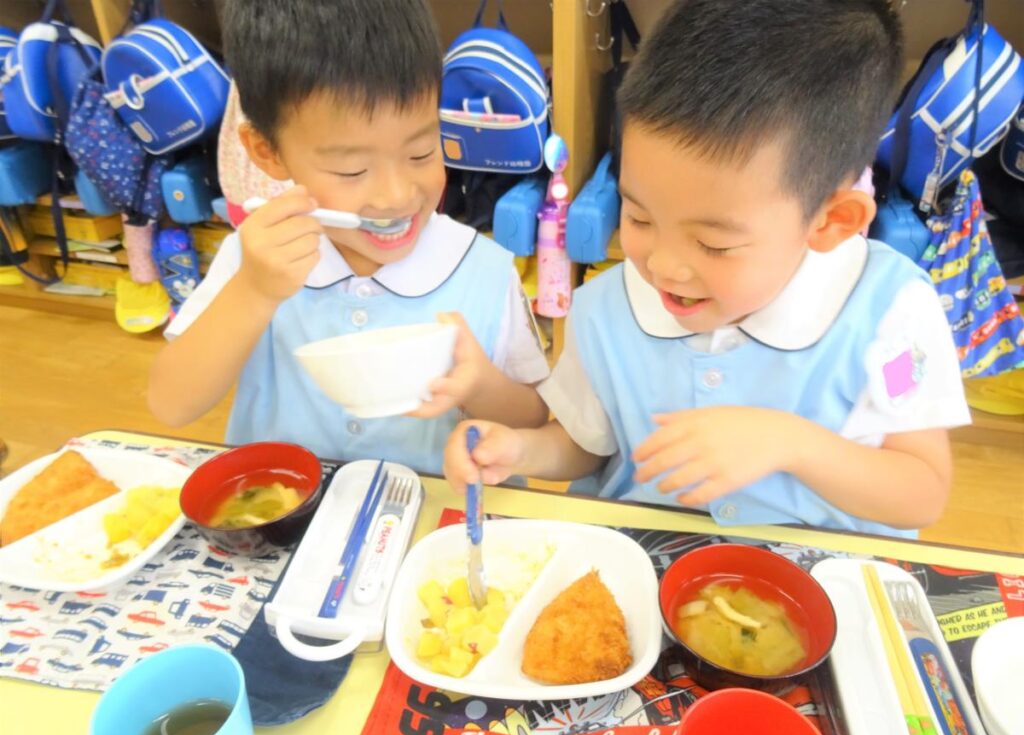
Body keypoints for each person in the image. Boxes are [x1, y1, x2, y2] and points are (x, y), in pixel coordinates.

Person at [444, 0, 970, 537]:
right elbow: (587, 446)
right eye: (639, 216)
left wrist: (789, 442)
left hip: (822, 585)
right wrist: (521, 450)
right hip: (642, 560)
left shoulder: (892, 313)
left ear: (832, 220)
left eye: (713, 244)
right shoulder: (606, 308)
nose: (663, 266)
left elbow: (921, 492)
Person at [147, 0, 549, 472]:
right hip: (284, 517)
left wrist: (481, 385)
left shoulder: (484, 269)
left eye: (422, 152)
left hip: (431, 526)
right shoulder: (255, 257)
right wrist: (253, 292)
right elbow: (172, 405)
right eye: (351, 169)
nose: (398, 195)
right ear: (266, 151)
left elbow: (535, 423)